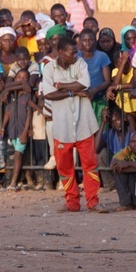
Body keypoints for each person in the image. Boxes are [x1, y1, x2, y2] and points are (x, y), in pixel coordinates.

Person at [42, 36, 102, 213]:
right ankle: (72, 202)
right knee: (65, 167)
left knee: (90, 165)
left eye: (76, 51)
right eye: (72, 52)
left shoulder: (80, 63)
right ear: (61, 52)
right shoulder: (48, 68)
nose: (76, 55)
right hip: (62, 126)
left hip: (84, 123)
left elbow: (86, 84)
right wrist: (72, 92)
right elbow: (48, 94)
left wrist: (61, 86)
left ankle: (93, 201)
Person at [0, 69, 34, 191]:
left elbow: (29, 114)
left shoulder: (28, 95)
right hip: (12, 130)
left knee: (18, 155)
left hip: (21, 131)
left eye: (25, 78)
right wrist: (2, 128)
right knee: (20, 156)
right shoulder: (12, 96)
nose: (22, 80)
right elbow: (8, 112)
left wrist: (25, 132)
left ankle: (13, 182)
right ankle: (28, 179)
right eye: (19, 77)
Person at [77, 28, 111, 120]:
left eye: (91, 40)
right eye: (84, 40)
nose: (88, 43)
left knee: (101, 129)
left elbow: (107, 80)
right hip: (81, 99)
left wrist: (94, 90)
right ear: (80, 42)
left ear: (95, 41)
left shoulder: (102, 56)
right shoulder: (76, 57)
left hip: (99, 99)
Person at [96, 107, 129, 192]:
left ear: (123, 118)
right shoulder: (110, 133)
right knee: (102, 153)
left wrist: (130, 119)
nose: (116, 123)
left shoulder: (130, 131)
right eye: (113, 122)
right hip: (115, 167)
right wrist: (103, 123)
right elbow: (96, 148)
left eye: (118, 119)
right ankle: (110, 185)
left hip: (127, 166)